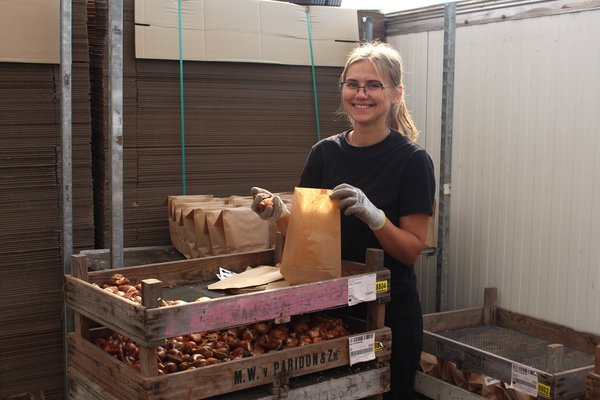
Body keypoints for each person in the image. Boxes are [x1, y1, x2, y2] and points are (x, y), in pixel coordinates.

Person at [250, 41, 435, 400]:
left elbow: (412, 250)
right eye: (353, 84)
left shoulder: (412, 161)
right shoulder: (324, 153)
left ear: (396, 93)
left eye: (373, 85)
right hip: (330, 312)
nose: (361, 94)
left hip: (388, 311)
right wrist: (280, 214)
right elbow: (309, 236)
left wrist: (375, 217)